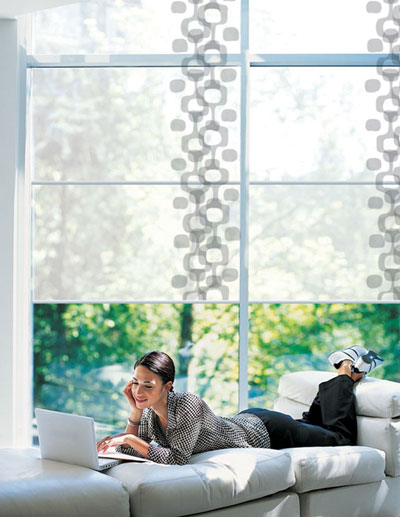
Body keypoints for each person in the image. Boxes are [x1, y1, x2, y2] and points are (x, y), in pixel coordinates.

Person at [96, 346, 383, 466]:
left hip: (266, 432)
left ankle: (346, 368)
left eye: (148, 385)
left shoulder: (186, 404)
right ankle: (338, 383)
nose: (139, 391)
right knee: (312, 427)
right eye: (136, 382)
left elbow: (176, 458)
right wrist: (134, 414)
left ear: (167, 386)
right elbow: (130, 449)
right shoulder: (149, 413)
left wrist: (129, 438)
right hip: (246, 421)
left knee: (338, 439)